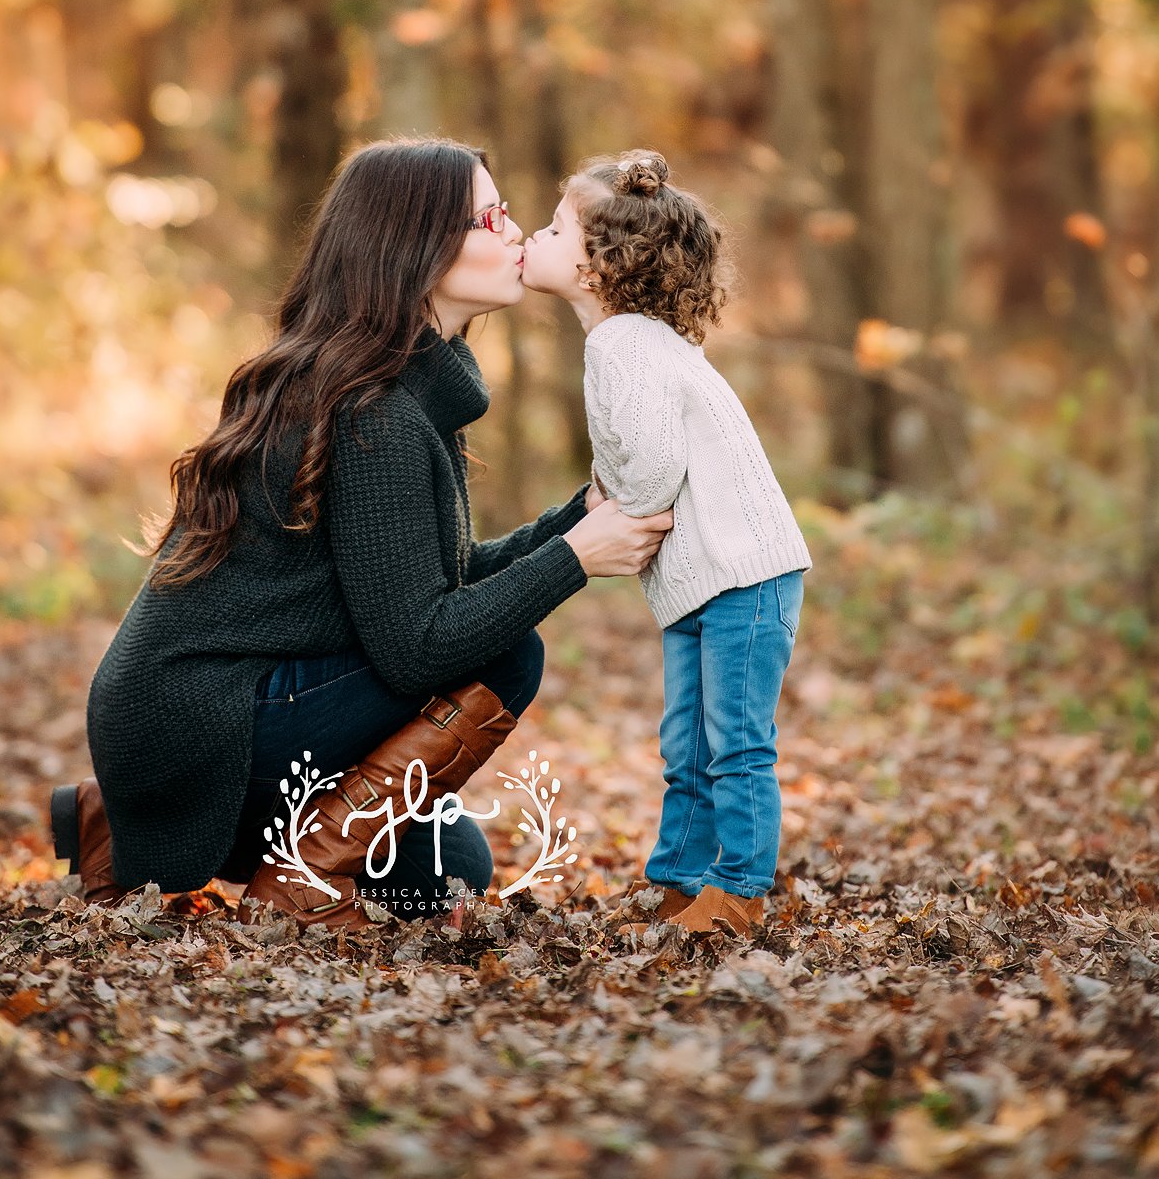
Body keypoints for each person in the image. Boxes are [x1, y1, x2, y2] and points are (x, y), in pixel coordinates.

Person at [50, 135, 673, 930]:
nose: (515, 232)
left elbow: (423, 582)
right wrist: (571, 562)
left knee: (445, 874)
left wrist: (571, 522)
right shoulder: (371, 411)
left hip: (205, 715)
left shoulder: (401, 386)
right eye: (491, 217)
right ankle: (299, 879)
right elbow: (420, 646)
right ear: (417, 246)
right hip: (202, 714)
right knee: (508, 650)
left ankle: (120, 824)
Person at [520, 147, 813, 939]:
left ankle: (739, 890)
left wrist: (614, 507)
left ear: (596, 266)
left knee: (734, 744)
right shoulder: (628, 342)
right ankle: (680, 879)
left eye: (552, 230)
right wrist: (605, 487)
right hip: (703, 578)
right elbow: (635, 448)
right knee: (685, 740)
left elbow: (649, 468)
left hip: (743, 574)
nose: (531, 240)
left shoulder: (624, 345)